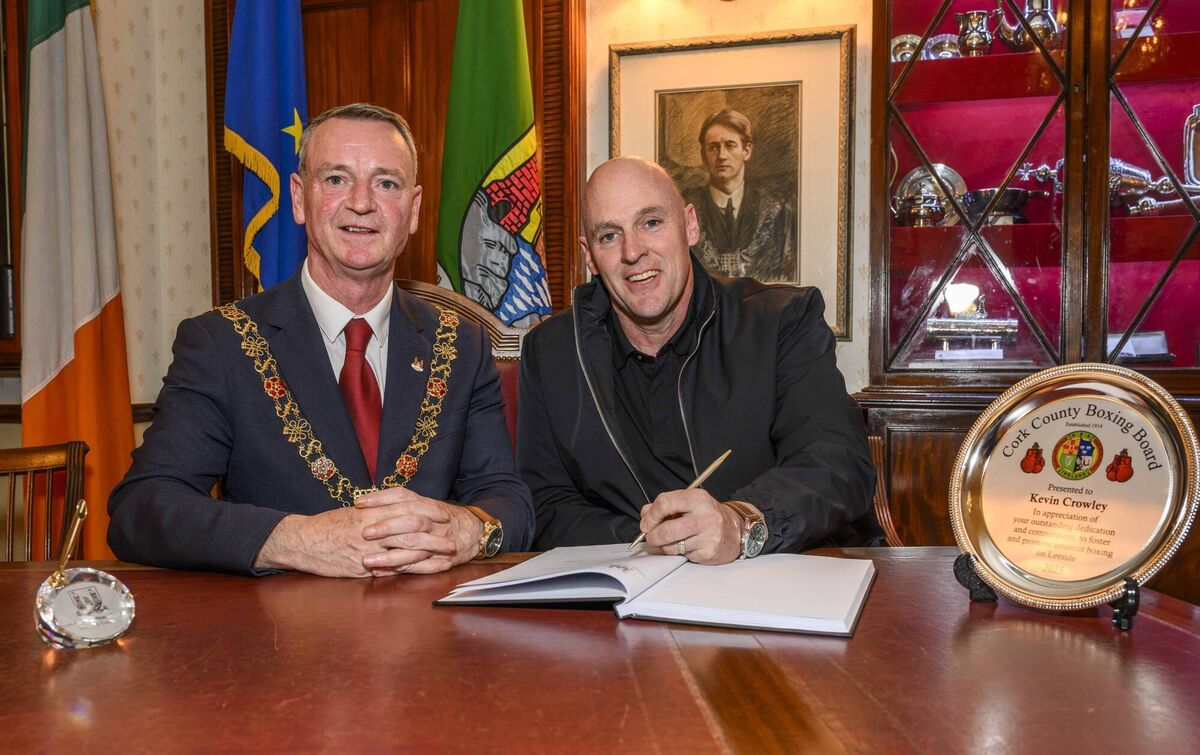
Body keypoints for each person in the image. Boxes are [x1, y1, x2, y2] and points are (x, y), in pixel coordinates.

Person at [108, 103, 533, 577]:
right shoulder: (222, 343)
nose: (361, 202)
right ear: (297, 197)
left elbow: (509, 499)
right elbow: (142, 508)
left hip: (428, 629)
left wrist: (466, 529)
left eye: (386, 183)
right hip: (280, 634)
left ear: (411, 211)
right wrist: (292, 540)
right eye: (336, 179)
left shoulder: (460, 344)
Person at [518, 156, 878, 564]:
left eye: (651, 222)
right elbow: (545, 504)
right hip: (631, 591)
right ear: (589, 255)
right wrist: (660, 538)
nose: (633, 252)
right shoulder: (551, 352)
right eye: (609, 236)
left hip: (780, 577)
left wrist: (739, 522)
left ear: (690, 225)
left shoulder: (781, 322)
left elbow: (837, 464)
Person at [682, 108, 795, 281]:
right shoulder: (683, 208)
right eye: (713, 147)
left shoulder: (777, 210)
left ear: (747, 150)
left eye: (730, 145)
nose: (721, 155)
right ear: (703, 155)